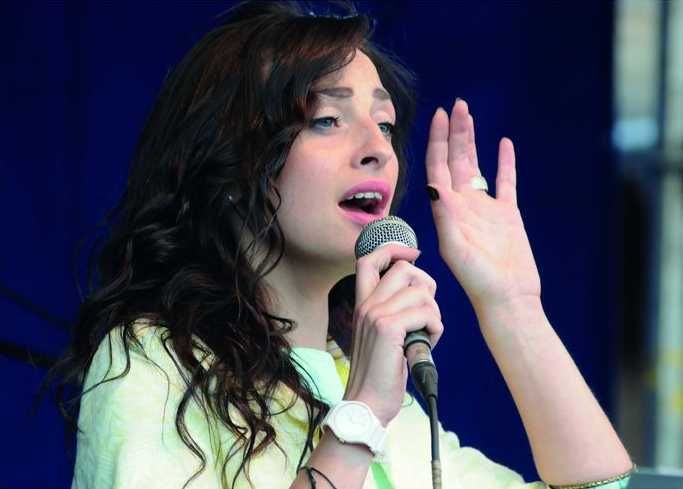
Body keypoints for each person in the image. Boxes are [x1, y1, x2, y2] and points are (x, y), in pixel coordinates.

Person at [51, 2, 634, 488]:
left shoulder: (370, 392)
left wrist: (513, 305)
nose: (378, 149)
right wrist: (357, 423)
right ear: (229, 164)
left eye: (384, 125)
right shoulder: (149, 362)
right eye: (327, 119)